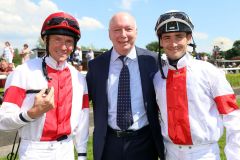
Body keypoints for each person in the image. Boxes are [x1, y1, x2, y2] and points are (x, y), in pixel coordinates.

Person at [0, 12, 89, 160]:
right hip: (34, 151)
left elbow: (83, 119)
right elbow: (3, 121)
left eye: (69, 41)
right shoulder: (23, 72)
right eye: (57, 39)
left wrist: (82, 154)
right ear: (45, 40)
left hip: (67, 150)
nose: (64, 46)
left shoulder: (78, 78)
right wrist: (31, 114)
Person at [153, 10, 240, 160]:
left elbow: (233, 117)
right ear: (161, 41)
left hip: (204, 154)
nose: (173, 43)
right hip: (170, 153)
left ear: (189, 38)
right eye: (167, 37)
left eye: (179, 37)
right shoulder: (157, 77)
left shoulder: (209, 71)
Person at [86, 12, 165, 160]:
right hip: (109, 143)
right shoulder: (96, 66)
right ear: (109, 34)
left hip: (144, 142)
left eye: (128, 29)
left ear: (136, 31)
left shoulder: (153, 61)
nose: (123, 35)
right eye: (116, 30)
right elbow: (81, 102)